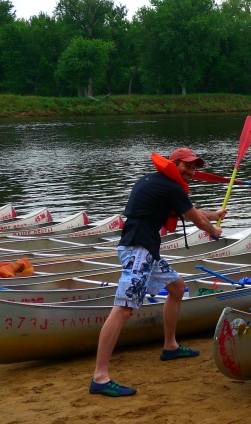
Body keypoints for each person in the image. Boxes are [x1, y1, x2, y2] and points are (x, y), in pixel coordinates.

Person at [90, 148, 226, 397]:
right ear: (174, 164)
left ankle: (170, 346)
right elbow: (197, 220)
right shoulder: (171, 187)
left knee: (177, 287)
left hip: (142, 248)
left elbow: (187, 212)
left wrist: (213, 215)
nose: (191, 172)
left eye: (195, 167)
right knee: (123, 309)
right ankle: (100, 377)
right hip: (139, 250)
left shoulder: (152, 180)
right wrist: (214, 231)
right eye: (187, 166)